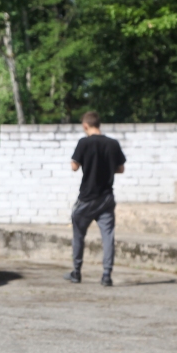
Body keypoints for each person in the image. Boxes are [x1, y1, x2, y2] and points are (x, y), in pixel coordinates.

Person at [65, 110, 126, 287]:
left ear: (85, 125)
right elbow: (121, 169)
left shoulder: (84, 143)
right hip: (106, 198)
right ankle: (106, 275)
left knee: (78, 234)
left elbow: (74, 166)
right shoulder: (113, 144)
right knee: (108, 236)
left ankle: (76, 272)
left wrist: (87, 164)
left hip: (86, 198)